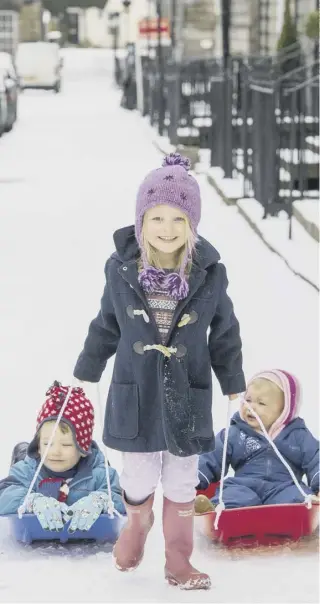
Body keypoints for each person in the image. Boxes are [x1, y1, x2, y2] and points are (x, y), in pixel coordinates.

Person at [73, 153, 246, 589]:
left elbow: (224, 332)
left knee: (184, 477)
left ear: (193, 224)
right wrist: (88, 367)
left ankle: (178, 560)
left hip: (187, 391)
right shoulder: (121, 270)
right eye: (157, 218)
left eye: (178, 219)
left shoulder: (209, 274)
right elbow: (106, 323)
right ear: (141, 221)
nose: (167, 229)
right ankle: (138, 522)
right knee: (139, 473)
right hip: (138, 393)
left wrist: (234, 384)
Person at [0, 381, 125, 531]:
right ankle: (22, 451)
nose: (55, 451)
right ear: (38, 445)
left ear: (83, 447)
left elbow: (124, 499)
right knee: (20, 469)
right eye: (47, 444)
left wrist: (102, 500)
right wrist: (30, 501)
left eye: (66, 445)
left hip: (91, 482)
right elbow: (4, 496)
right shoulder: (27, 471)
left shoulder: (99, 473)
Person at [195, 369, 319, 514]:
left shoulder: (298, 436)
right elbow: (212, 456)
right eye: (247, 400)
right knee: (231, 497)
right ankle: (213, 511)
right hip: (244, 485)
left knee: (297, 499)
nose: (251, 407)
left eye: (261, 403)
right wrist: (193, 481)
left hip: (285, 486)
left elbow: (316, 459)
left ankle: (301, 515)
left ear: (284, 410)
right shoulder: (236, 433)